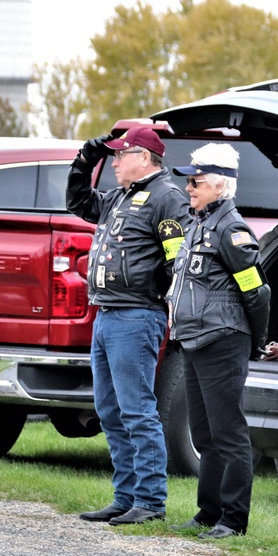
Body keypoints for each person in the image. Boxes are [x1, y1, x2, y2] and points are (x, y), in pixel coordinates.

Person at [66, 127, 189, 525]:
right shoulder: (120, 195)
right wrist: (87, 157)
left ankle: (150, 501)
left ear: (145, 158)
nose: (115, 162)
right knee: (109, 409)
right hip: (107, 315)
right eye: (114, 156)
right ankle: (125, 496)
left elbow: (177, 262)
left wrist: (168, 306)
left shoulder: (167, 197)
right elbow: (79, 201)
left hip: (137, 316)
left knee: (137, 409)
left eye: (121, 156)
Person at [166, 143, 270, 540]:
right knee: (204, 433)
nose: (188, 188)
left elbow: (256, 291)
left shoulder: (231, 228)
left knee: (228, 432)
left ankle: (233, 519)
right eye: (189, 181)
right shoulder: (198, 222)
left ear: (218, 185)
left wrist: (256, 341)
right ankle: (208, 512)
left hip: (222, 339)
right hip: (193, 339)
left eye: (195, 181)